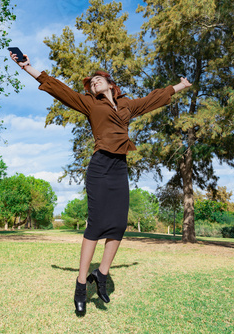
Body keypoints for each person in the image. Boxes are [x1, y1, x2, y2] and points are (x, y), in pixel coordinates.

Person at [10, 50, 191, 314]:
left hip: (119, 167)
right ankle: (81, 284)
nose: (93, 83)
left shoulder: (127, 105)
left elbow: (153, 99)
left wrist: (179, 86)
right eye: (90, 83)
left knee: (118, 225)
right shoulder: (90, 104)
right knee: (96, 225)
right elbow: (59, 90)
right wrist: (28, 67)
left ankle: (101, 275)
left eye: (97, 80)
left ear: (110, 83)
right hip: (99, 166)